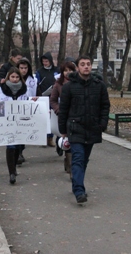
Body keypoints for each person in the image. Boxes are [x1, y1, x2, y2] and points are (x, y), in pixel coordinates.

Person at [58, 55, 110, 204]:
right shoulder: (69, 86)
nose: (86, 66)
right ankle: (79, 191)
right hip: (75, 128)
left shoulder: (99, 85)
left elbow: (105, 106)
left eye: (88, 64)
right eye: (82, 64)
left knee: (84, 160)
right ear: (78, 67)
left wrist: (102, 124)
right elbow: (64, 109)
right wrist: (63, 130)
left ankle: (77, 184)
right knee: (78, 158)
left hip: (93, 127)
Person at [0, 67, 28, 184]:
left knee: (18, 147)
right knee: (10, 146)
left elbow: (28, 103)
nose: (14, 79)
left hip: (20, 124)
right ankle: (12, 173)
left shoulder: (25, 90)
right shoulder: (1, 90)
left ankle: (14, 167)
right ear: (8, 77)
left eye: (17, 77)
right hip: (7, 123)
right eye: (12, 77)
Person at [49, 61, 77, 179]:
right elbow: (53, 100)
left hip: (77, 116)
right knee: (67, 141)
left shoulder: (79, 82)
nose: (68, 73)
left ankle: (70, 164)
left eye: (70, 70)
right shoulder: (58, 84)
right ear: (62, 72)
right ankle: (70, 166)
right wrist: (58, 110)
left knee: (75, 142)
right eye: (66, 70)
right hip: (64, 116)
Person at [15, 58, 39, 165]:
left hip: (28, 110)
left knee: (24, 132)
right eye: (21, 68)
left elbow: (37, 93)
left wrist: (36, 99)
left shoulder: (32, 81)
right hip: (15, 110)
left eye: (25, 68)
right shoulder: (14, 79)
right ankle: (17, 153)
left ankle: (20, 151)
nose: (23, 70)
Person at [35, 51, 58, 147]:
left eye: (47, 61)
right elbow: (36, 83)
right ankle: (43, 138)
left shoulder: (56, 70)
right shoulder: (39, 71)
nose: (45, 63)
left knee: (52, 118)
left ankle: (50, 138)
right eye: (43, 61)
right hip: (43, 97)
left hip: (54, 97)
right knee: (44, 117)